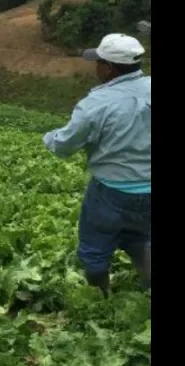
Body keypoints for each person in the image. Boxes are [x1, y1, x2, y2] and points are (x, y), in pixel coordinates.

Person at [42, 33, 151, 297]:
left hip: (111, 191)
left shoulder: (96, 104)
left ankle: (99, 297)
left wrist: (49, 138)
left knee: (95, 247)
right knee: (142, 236)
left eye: (99, 62)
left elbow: (65, 145)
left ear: (109, 68)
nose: (96, 66)